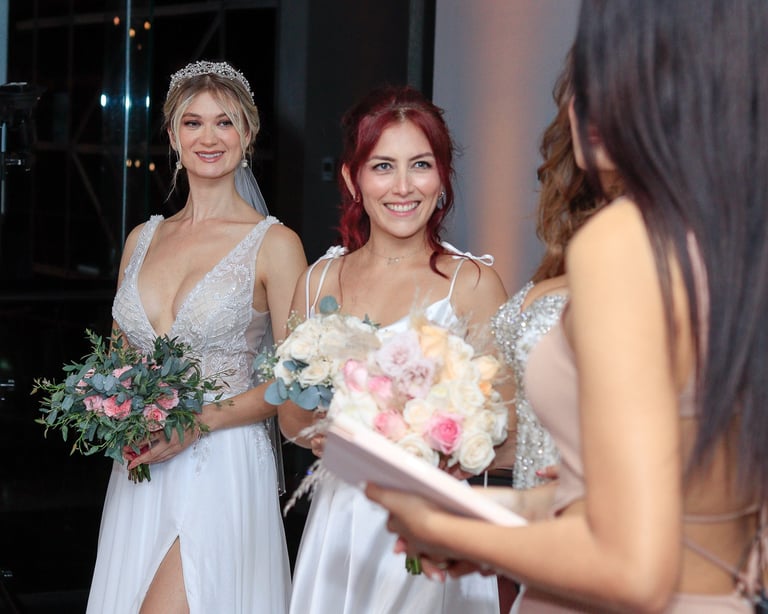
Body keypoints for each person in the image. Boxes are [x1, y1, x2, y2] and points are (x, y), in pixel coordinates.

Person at [367, 1, 768, 612]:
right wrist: (496, 511)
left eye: (619, 69)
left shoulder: (624, 240)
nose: (589, 100)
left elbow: (631, 570)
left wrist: (440, 529)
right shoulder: (736, 241)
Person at [86, 60, 306, 614]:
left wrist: (198, 420)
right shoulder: (141, 238)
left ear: (248, 134)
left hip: (222, 463)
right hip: (143, 466)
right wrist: (115, 416)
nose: (209, 137)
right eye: (193, 122)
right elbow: (115, 363)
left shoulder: (275, 245)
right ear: (172, 135)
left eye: (225, 122)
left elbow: (297, 380)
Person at [279, 85, 509, 614]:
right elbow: (290, 416)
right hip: (339, 524)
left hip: (433, 530)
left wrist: (428, 439)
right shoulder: (318, 281)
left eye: (420, 165)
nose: (403, 186)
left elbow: (506, 425)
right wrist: (328, 434)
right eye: (383, 166)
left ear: (442, 178)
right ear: (352, 179)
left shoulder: (472, 285)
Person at [491, 50, 623, 613]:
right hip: (539, 538)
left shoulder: (668, 251)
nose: (593, 106)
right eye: (583, 90)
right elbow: (526, 419)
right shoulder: (577, 245)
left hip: (609, 547)